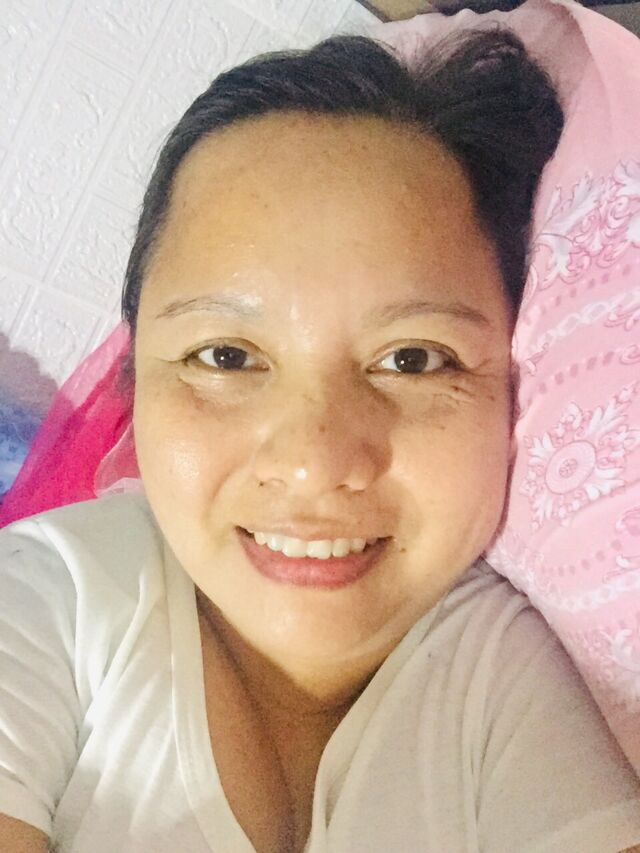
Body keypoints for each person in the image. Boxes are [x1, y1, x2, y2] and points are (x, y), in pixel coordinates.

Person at [1, 23, 640, 853]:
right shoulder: (52, 596)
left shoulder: (508, 671)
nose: (315, 461)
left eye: (413, 359)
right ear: (134, 383)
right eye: (226, 356)